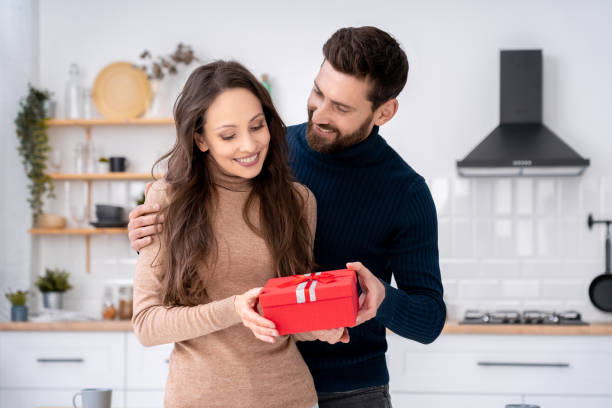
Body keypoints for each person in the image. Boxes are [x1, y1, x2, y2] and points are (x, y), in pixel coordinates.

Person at [129, 27, 446, 407]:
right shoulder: (267, 153)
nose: (321, 114)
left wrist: (382, 298)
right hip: (249, 377)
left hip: (351, 388)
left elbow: (429, 320)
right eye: (318, 93)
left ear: (384, 111)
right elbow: (203, 252)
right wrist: (150, 237)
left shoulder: (402, 192)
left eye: (342, 108)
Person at [131, 60, 347, 408]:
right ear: (200, 139)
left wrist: (324, 326)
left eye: (257, 126)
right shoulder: (167, 200)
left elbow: (288, 312)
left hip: (289, 397)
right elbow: (147, 324)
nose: (249, 145)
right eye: (229, 135)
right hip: (198, 399)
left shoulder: (297, 201)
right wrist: (234, 308)